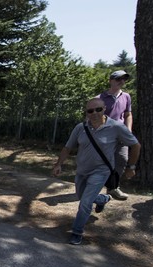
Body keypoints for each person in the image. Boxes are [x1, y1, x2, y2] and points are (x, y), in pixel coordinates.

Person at [52, 97, 140, 245]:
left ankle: (76, 232)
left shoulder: (116, 127)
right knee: (82, 196)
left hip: (101, 171)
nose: (94, 113)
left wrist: (131, 167)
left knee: (85, 202)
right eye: (90, 111)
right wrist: (58, 164)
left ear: (104, 109)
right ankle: (103, 199)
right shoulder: (81, 128)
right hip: (82, 170)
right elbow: (68, 147)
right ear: (86, 112)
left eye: (98, 109)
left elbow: (136, 145)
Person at [98, 70, 133, 200]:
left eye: (124, 79)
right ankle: (95, 188)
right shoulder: (100, 98)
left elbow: (128, 114)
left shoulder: (126, 97)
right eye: (118, 79)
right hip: (105, 135)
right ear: (111, 80)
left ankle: (113, 188)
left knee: (122, 160)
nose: (121, 82)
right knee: (103, 162)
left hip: (122, 134)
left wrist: (128, 130)